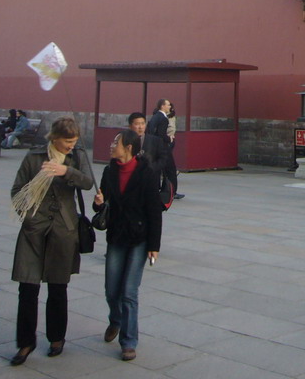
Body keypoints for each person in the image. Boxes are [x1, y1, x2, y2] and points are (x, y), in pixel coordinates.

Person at [9, 118, 95, 366]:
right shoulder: (35, 157)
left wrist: (66, 171)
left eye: (75, 141)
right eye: (68, 141)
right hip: (34, 230)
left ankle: (57, 337)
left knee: (58, 288)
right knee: (27, 288)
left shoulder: (76, 156)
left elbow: (88, 183)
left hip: (63, 229)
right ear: (54, 137)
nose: (71, 145)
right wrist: (29, 217)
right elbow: (17, 190)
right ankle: (25, 342)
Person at [94, 129, 162, 361]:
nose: (112, 145)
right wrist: (98, 203)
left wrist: (154, 245)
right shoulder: (109, 171)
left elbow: (155, 212)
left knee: (129, 292)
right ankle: (116, 320)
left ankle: (128, 341)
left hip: (139, 238)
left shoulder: (147, 173)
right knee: (112, 290)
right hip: (116, 236)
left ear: (129, 148)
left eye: (116, 142)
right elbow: (103, 206)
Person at [148, 99, 182, 200]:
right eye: (168, 105)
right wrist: (169, 138)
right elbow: (161, 134)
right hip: (162, 147)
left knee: (158, 169)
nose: (169, 107)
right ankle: (171, 191)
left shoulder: (155, 116)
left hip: (154, 146)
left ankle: (159, 189)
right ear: (162, 106)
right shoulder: (163, 118)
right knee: (170, 170)